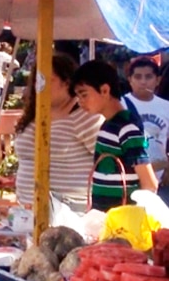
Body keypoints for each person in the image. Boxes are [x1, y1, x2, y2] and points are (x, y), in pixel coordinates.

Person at [14, 54, 102, 211]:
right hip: (26, 211)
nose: (40, 85)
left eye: (49, 79)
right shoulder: (33, 115)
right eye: (37, 79)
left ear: (67, 82)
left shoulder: (85, 116)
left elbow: (105, 161)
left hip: (69, 212)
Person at [72, 60, 158, 212]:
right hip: (104, 219)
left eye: (84, 95)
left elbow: (149, 183)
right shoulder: (107, 125)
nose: (80, 102)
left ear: (105, 90)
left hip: (123, 222)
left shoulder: (127, 127)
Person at [122, 58, 169, 202]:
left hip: (160, 180)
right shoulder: (121, 104)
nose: (143, 81)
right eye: (137, 77)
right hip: (130, 178)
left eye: (148, 77)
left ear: (158, 80)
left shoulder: (166, 106)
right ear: (130, 79)